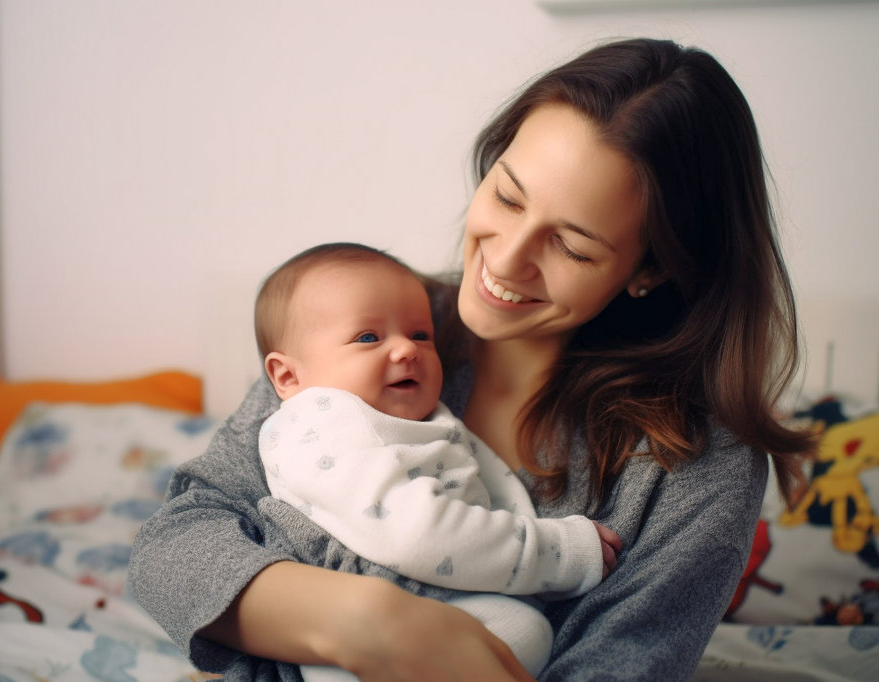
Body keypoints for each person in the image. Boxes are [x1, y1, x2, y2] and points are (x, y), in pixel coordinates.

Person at [130, 37, 814, 681]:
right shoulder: (368, 326)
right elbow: (173, 549)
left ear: (652, 268)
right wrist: (369, 624)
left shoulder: (698, 466)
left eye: (571, 247)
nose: (506, 258)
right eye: (507, 195)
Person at [253, 242, 620, 679]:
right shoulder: (328, 422)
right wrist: (559, 552)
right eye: (368, 337)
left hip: (408, 606)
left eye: (420, 335)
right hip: (372, 610)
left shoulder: (391, 418)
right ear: (288, 376)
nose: (406, 350)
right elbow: (415, 531)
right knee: (524, 632)